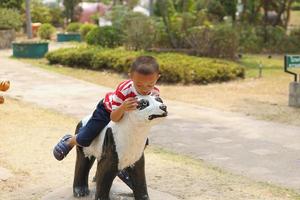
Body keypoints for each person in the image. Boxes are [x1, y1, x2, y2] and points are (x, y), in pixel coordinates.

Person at [53, 56, 160, 187]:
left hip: (128, 121)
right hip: (108, 111)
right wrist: (123, 107)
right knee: (87, 137)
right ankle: (70, 141)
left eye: (150, 84)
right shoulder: (124, 89)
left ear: (157, 78)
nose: (144, 88)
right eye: (139, 84)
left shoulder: (154, 93)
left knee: (141, 143)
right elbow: (114, 118)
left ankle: (121, 168)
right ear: (131, 76)